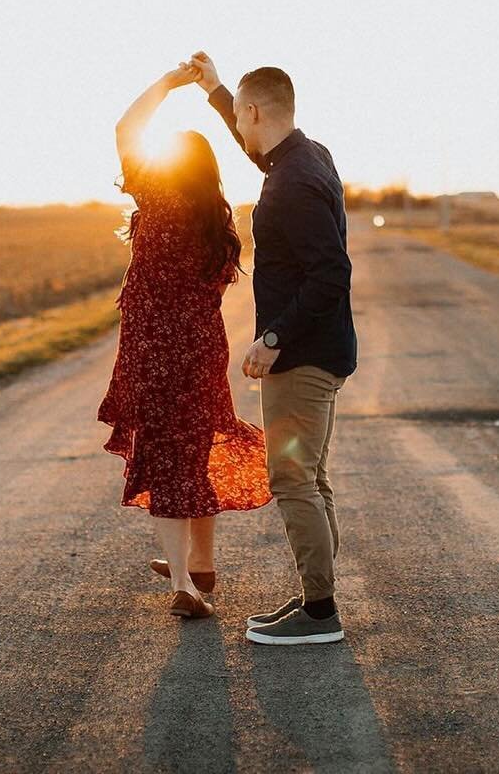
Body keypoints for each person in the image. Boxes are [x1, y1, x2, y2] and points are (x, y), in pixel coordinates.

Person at [187, 51, 358, 646]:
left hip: (304, 356)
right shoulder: (308, 157)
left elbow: (331, 274)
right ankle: (319, 598)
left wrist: (271, 338)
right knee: (311, 476)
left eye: (238, 114)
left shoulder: (294, 183)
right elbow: (257, 150)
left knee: (292, 480)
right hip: (322, 350)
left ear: (254, 110)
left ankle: (319, 613)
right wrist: (215, 92)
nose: (238, 127)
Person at [96, 63, 274, 620]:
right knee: (194, 449)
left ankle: (183, 584)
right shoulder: (218, 226)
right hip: (200, 352)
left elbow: (126, 129)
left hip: (151, 352)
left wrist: (169, 86)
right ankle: (200, 564)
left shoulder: (156, 200)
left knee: (165, 457)